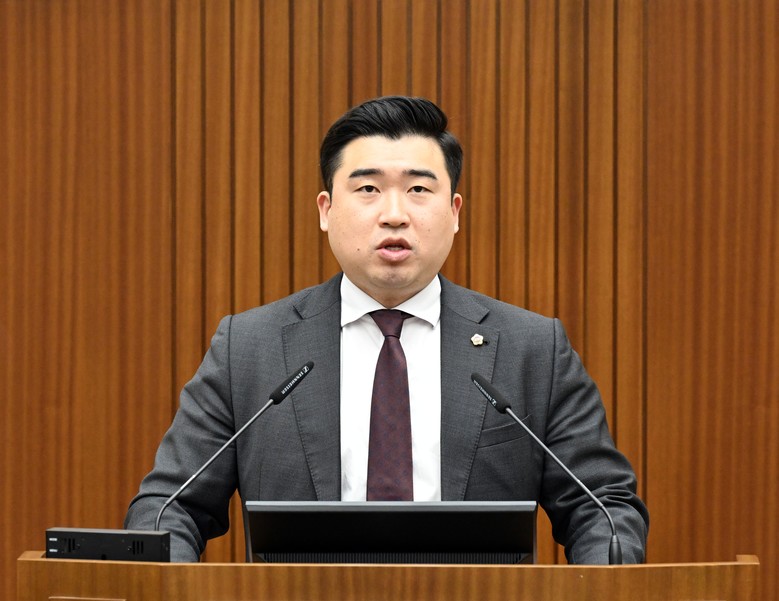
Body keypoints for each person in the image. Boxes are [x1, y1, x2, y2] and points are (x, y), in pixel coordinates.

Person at [125, 96, 649, 564]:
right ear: (326, 210)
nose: (394, 214)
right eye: (368, 189)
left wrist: (604, 581)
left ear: (454, 212)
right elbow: (169, 506)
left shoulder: (531, 350)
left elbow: (602, 506)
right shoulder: (249, 348)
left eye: (418, 189)